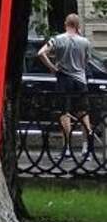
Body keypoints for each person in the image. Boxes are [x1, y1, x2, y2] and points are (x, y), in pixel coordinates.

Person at [38, 13, 94, 155]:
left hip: (64, 79)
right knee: (83, 113)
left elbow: (41, 53)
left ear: (65, 24)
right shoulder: (85, 42)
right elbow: (86, 61)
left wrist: (52, 67)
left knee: (65, 113)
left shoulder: (57, 39)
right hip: (80, 81)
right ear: (78, 25)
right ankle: (86, 147)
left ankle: (67, 148)